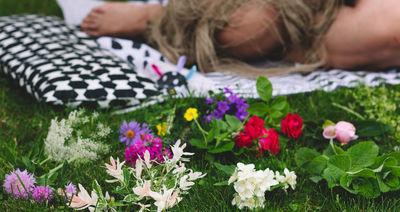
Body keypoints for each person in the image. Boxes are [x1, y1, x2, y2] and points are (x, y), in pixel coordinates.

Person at [80, 0, 400, 78]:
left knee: (385, 30)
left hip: (318, 27)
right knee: (253, 22)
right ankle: (160, 18)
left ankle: (164, 21)